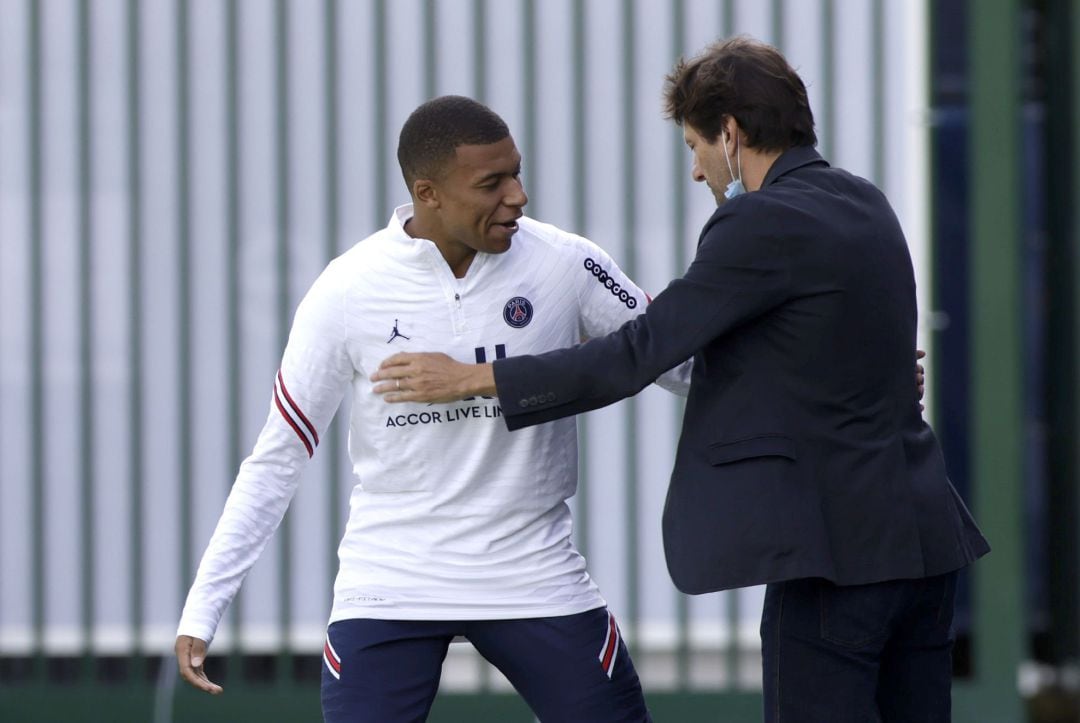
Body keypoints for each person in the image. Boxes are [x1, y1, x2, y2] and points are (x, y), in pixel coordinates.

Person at [372, 38, 990, 722]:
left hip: (833, 555)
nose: (698, 171)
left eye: (696, 145)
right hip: (924, 540)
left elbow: (639, 351)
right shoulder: (863, 200)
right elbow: (828, 347)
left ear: (730, 133)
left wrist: (478, 377)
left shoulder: (760, 220)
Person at [174, 95, 698, 722]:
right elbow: (279, 456)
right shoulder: (347, 287)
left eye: (517, 172)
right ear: (428, 193)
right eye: (492, 183)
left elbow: (681, 367)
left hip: (531, 572)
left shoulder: (567, 262)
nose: (519, 196)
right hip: (390, 580)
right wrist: (204, 607)